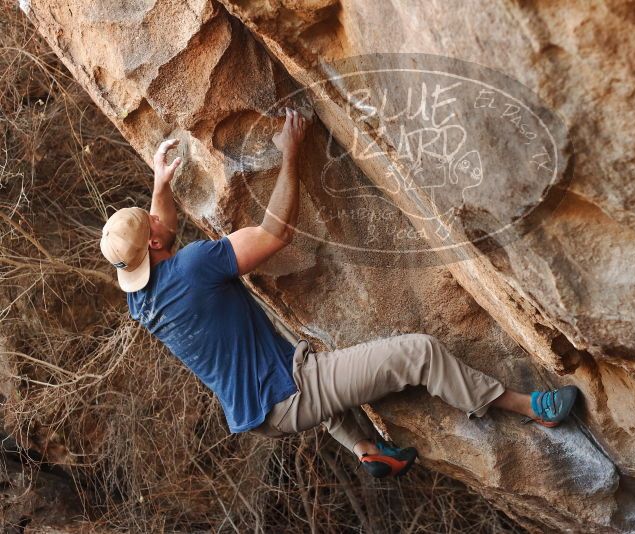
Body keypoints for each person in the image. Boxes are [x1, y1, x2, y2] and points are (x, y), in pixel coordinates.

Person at [100, 107, 578, 478]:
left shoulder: (140, 301)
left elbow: (158, 231)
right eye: (154, 226)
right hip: (292, 393)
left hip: (257, 413)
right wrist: (290, 154)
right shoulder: (195, 265)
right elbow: (274, 234)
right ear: (158, 244)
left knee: (291, 350)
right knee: (419, 353)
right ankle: (529, 407)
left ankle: (367, 451)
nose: (159, 219)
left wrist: (161, 185)